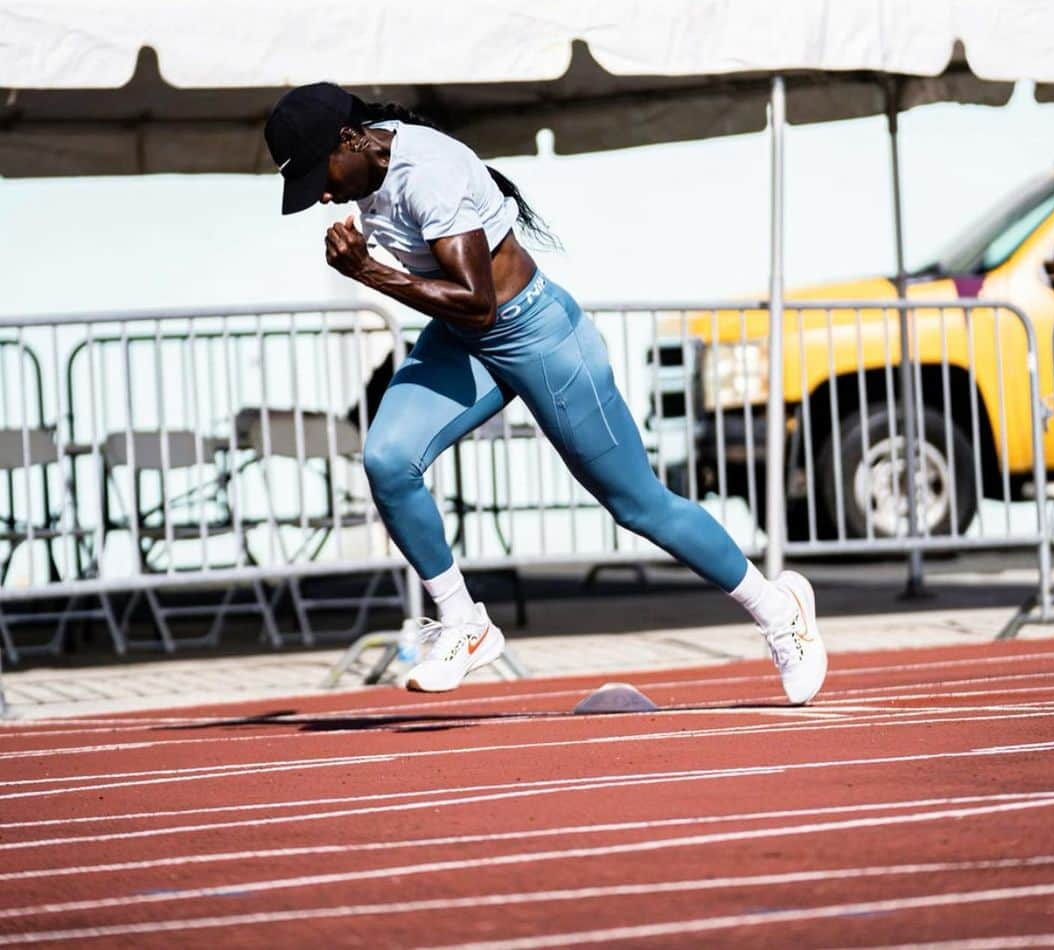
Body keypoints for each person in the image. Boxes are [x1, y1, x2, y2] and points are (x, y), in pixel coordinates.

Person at [265, 82, 827, 703]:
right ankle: (464, 623)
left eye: (321, 172)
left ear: (350, 139)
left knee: (638, 505)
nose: (320, 191)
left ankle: (779, 613)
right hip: (462, 340)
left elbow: (479, 302)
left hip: (535, 333)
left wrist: (368, 271)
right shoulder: (367, 172)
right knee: (387, 460)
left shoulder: (427, 172)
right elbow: (466, 315)